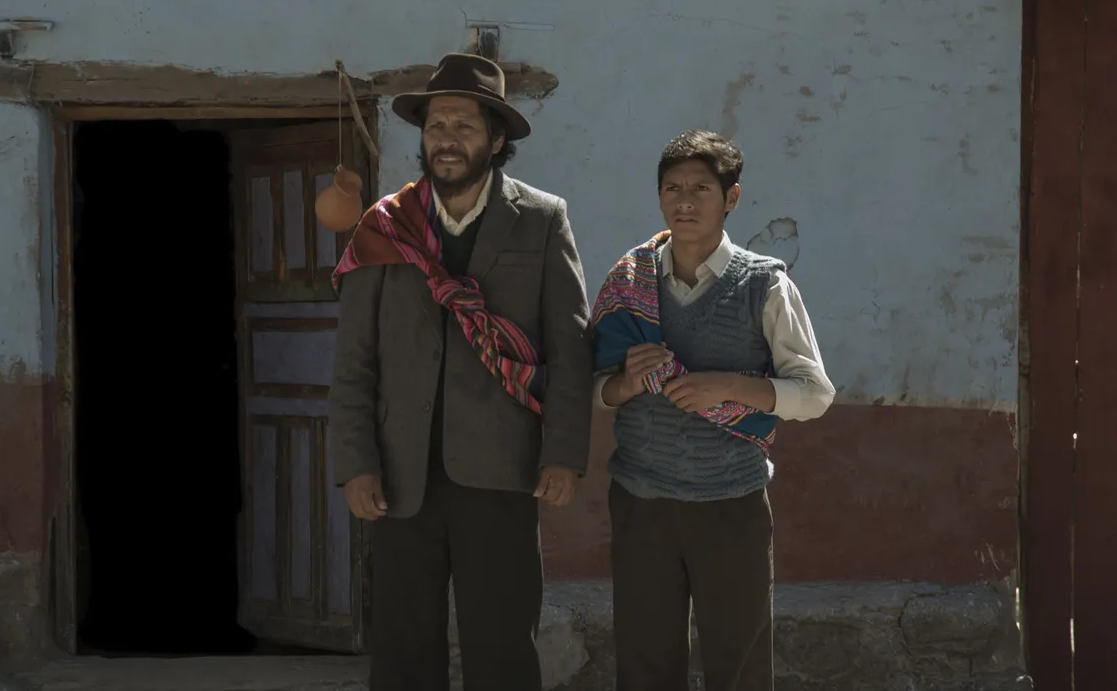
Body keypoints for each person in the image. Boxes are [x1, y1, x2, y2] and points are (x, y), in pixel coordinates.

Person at [327, 52, 594, 691]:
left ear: (495, 140)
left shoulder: (541, 220)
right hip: (400, 477)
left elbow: (570, 345)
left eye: (464, 126)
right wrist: (356, 462)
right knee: (403, 648)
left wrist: (563, 453)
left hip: (502, 471)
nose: (446, 139)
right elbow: (355, 359)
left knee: (501, 645)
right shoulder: (384, 226)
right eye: (436, 126)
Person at [590, 129, 835, 690]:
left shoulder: (764, 285)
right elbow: (593, 388)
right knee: (645, 664)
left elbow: (815, 393)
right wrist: (626, 384)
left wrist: (726, 387)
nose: (684, 201)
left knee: (739, 664)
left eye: (701, 188)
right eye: (672, 188)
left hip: (731, 504)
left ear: (732, 198)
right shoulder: (629, 282)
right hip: (642, 503)